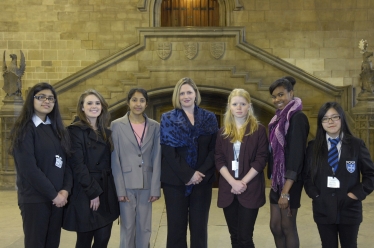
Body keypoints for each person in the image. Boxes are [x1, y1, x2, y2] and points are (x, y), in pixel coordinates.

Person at [9, 82, 71, 248]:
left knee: (52, 244)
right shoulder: (25, 129)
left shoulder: (57, 128)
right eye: (41, 97)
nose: (47, 101)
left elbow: (66, 163)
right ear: (32, 100)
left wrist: (65, 190)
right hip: (35, 199)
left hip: (57, 198)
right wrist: (54, 195)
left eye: (51, 98)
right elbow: (29, 169)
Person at [304, 102, 374, 248]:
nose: (330, 122)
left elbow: (370, 175)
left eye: (335, 117)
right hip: (323, 208)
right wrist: (315, 195)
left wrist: (355, 195)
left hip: (349, 209)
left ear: (342, 118)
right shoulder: (313, 146)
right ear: (321, 123)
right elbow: (307, 176)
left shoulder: (356, 145)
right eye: (325, 118)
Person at [160, 77, 218, 248]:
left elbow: (215, 150)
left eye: (189, 92)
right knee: (176, 229)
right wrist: (188, 174)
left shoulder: (209, 118)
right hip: (175, 182)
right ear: (177, 96)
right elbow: (168, 152)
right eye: (182, 93)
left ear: (195, 94)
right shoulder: (168, 119)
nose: (186, 96)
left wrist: (199, 173)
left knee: (199, 229)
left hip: (202, 180)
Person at [63, 89, 119, 248]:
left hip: (106, 190)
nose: (94, 106)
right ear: (82, 107)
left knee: (103, 238)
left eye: (97, 103)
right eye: (89, 103)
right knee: (84, 240)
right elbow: (77, 165)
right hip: (86, 191)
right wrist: (93, 193)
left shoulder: (106, 132)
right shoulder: (74, 131)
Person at [215, 89, 269, 248]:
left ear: (249, 106)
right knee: (234, 236)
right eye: (235, 104)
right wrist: (233, 182)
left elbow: (261, 159)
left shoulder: (258, 130)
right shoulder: (222, 132)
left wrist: (242, 183)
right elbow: (218, 159)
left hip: (250, 188)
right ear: (229, 107)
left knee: (245, 237)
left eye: (243, 104)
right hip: (228, 189)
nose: (239, 107)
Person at [111, 88, 161, 248]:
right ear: (128, 102)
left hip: (146, 184)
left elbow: (157, 157)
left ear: (146, 104)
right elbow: (115, 159)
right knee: (127, 227)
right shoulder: (117, 125)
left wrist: (155, 188)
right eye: (134, 100)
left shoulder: (155, 126)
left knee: (145, 227)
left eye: (141, 100)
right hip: (126, 184)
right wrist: (119, 190)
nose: (137, 104)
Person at [268, 76, 309, 248]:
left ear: (291, 93)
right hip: (277, 181)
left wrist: (286, 191)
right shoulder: (277, 120)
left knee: (287, 226)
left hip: (290, 181)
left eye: (281, 94)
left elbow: (297, 156)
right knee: (275, 226)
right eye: (274, 96)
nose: (277, 99)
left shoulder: (297, 118)